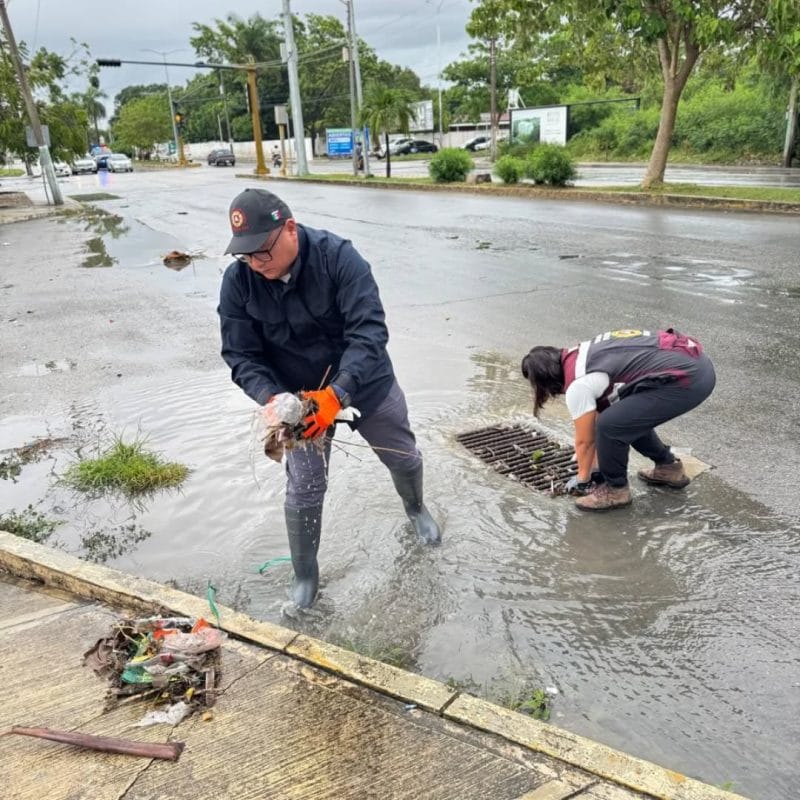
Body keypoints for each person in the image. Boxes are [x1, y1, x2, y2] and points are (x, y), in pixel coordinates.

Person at [217, 188, 441, 608]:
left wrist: (337, 394)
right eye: (246, 256)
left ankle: (416, 508)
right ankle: (305, 577)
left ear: (289, 228)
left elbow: (369, 332)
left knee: (402, 454)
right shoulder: (239, 280)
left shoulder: (339, 259)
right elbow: (240, 354)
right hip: (297, 403)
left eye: (262, 252)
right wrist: (272, 399)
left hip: (365, 383)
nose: (256, 263)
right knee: (304, 486)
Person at [521, 328, 715, 511]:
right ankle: (669, 468)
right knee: (624, 418)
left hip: (688, 379)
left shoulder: (578, 385)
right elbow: (594, 422)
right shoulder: (581, 355)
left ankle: (616, 491)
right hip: (694, 362)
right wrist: (595, 465)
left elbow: (584, 441)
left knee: (610, 425)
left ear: (545, 381)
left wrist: (583, 477)